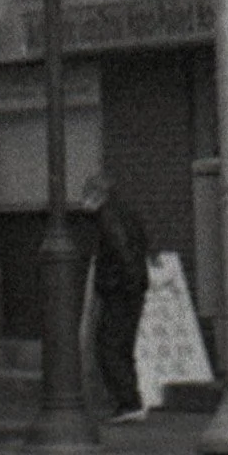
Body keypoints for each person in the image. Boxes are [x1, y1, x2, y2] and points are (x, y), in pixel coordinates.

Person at [83, 172, 151, 421]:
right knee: (123, 346)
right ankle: (131, 400)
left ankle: (127, 402)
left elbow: (120, 252)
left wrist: (113, 283)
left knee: (109, 345)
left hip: (120, 291)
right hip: (133, 290)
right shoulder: (127, 213)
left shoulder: (107, 217)